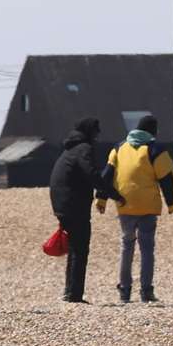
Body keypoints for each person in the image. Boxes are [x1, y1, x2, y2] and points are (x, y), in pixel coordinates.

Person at [98, 114, 173, 303]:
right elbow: (167, 179)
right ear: (153, 131)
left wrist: (101, 199)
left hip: (124, 205)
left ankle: (124, 290)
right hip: (147, 206)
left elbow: (106, 175)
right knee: (147, 248)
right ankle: (146, 291)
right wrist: (171, 203)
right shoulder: (155, 149)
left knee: (127, 245)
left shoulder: (119, 147)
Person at [49, 117, 123, 304]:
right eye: (96, 131)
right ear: (90, 132)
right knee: (80, 250)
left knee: (74, 249)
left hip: (63, 205)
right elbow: (92, 175)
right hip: (75, 206)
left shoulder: (70, 149)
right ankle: (75, 295)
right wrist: (115, 195)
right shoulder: (83, 149)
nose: (98, 136)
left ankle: (70, 291)